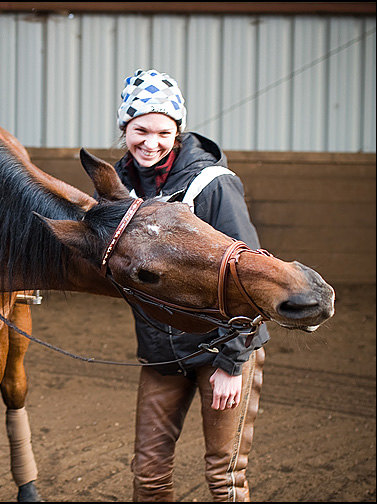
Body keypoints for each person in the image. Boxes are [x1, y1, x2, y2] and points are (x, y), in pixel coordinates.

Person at [111, 69, 268, 501]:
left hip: (223, 347)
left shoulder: (212, 185)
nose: (150, 141)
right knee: (148, 472)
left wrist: (232, 364)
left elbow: (250, 276)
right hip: (163, 350)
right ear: (124, 128)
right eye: (140, 129)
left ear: (177, 133)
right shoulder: (120, 189)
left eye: (163, 132)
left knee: (223, 475)